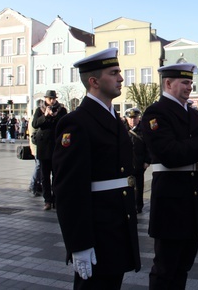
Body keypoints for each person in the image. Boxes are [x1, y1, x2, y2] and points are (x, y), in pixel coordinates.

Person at [53, 47, 141, 288]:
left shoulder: (114, 118)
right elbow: (68, 189)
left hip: (117, 224)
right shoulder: (77, 123)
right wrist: (78, 243)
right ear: (93, 81)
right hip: (96, 230)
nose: (121, 78)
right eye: (114, 73)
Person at [141, 63, 198, 289]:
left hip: (193, 198)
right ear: (168, 83)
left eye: (190, 82)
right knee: (165, 269)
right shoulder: (156, 113)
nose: (190, 87)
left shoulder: (194, 115)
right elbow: (170, 154)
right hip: (171, 200)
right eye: (184, 82)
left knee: (183, 267)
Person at [32, 90, 67, 211]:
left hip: (57, 146)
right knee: (44, 176)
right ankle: (47, 200)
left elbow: (65, 125)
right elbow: (35, 124)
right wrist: (45, 116)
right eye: (49, 99)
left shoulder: (61, 110)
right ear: (46, 99)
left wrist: (55, 116)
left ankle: (56, 200)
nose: (51, 101)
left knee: (57, 175)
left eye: (53, 99)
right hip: (43, 147)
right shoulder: (40, 109)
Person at [124, 107, 150, 214]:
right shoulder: (123, 130)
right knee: (128, 185)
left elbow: (149, 146)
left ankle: (138, 206)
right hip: (127, 163)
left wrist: (147, 161)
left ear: (139, 118)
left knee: (139, 186)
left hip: (139, 162)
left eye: (134, 118)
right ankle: (128, 204)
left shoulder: (143, 130)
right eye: (130, 118)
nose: (132, 120)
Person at [27, 116, 42, 197]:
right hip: (37, 147)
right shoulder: (36, 119)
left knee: (38, 166)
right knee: (38, 166)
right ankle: (33, 185)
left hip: (35, 147)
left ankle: (36, 184)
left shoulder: (33, 118)